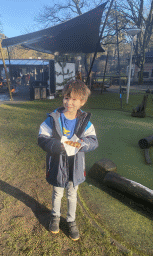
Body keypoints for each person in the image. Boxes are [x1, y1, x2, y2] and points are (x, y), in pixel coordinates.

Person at [38, 80, 98, 241]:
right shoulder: (53, 118)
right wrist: (56, 146)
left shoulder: (85, 121)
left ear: (82, 102)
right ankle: (55, 217)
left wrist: (83, 144)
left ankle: (71, 221)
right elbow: (42, 138)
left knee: (72, 194)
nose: (69, 102)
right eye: (66, 98)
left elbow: (93, 140)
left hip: (76, 166)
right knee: (57, 193)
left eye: (73, 99)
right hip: (58, 164)